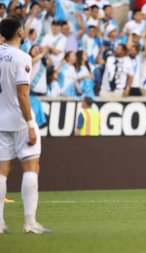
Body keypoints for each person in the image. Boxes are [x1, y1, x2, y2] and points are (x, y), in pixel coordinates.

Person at [0, 17, 51, 234]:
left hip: (0, 122)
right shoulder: (22, 58)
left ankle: (0, 224)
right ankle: (30, 223)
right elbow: (22, 94)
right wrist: (31, 124)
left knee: (2, 172)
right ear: (20, 33)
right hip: (20, 122)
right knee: (31, 167)